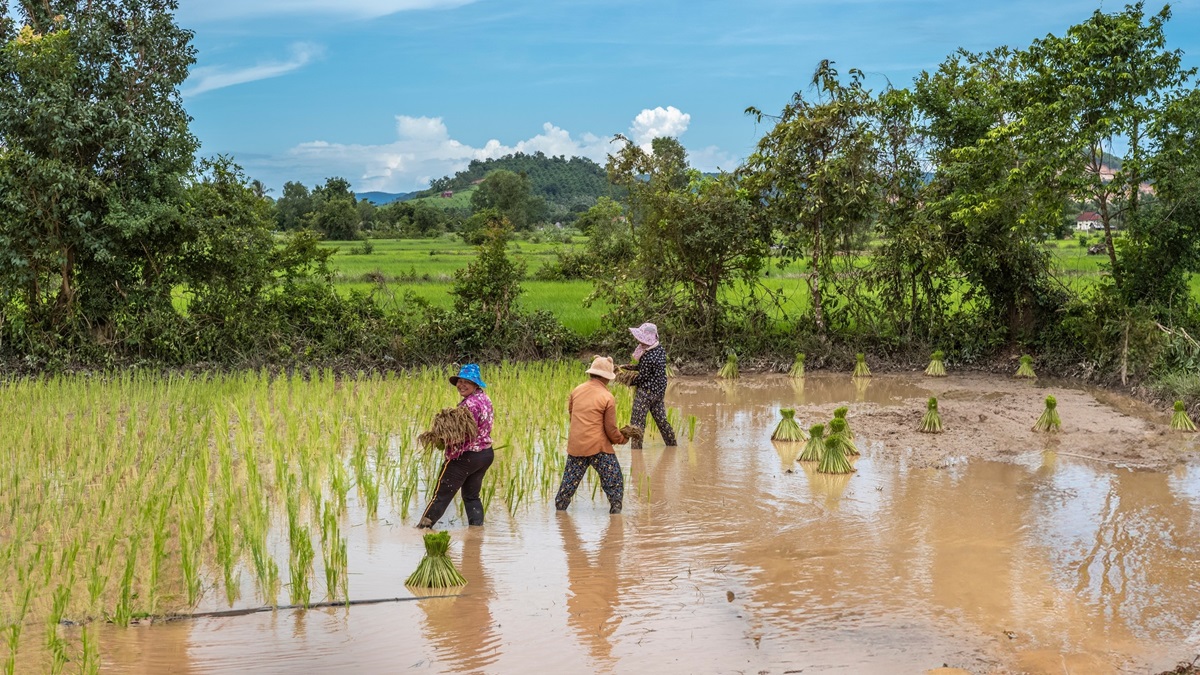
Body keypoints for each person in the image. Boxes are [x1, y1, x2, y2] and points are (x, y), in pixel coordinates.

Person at [418, 363, 495, 528]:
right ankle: (476, 533)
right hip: (485, 455)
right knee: (472, 496)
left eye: (466, 381)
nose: (461, 385)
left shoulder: (468, 405)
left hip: (465, 457)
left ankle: (422, 529)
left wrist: (440, 438)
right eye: (459, 381)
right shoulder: (484, 399)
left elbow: (460, 435)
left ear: (475, 384)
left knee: (441, 496)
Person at [554, 356, 630, 514]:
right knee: (614, 479)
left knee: (568, 484)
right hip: (598, 448)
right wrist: (621, 439)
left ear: (592, 373)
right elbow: (610, 428)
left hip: (576, 446)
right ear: (606, 378)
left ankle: (560, 511)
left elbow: (572, 415)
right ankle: (615, 513)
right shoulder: (607, 397)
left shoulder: (577, 390)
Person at [621, 322, 676, 449]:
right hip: (658, 393)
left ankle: (636, 452)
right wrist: (629, 367)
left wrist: (625, 379)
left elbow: (642, 377)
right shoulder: (659, 350)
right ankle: (672, 446)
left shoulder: (648, 356)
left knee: (637, 424)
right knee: (662, 421)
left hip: (646, 393)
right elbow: (646, 369)